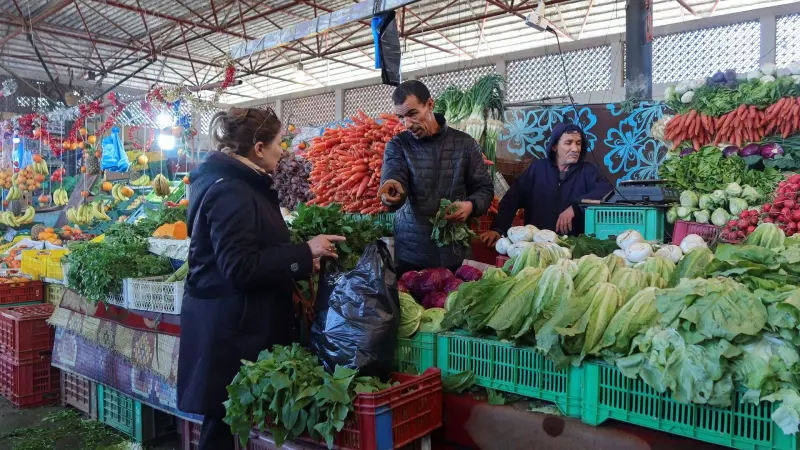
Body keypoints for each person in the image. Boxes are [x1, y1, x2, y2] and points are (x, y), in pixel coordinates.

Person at [177, 107, 345, 450]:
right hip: (230, 330)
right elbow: (239, 267)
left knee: (227, 422)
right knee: (221, 428)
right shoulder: (231, 192)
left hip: (233, 322)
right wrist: (304, 251)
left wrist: (299, 263)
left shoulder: (235, 183)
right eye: (279, 143)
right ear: (258, 148)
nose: (282, 150)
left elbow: (251, 252)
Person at [379, 80, 494, 274]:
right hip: (411, 255)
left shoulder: (465, 144)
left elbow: (484, 188)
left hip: (454, 253)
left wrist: (471, 205)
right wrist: (390, 191)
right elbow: (394, 174)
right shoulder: (398, 145)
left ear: (430, 105)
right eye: (401, 117)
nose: (407, 124)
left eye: (412, 114)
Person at [480, 122, 613, 247]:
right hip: (536, 245)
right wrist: (497, 229)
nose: (575, 149)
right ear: (554, 146)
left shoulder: (589, 171)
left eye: (578, 143)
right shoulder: (537, 169)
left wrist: (576, 207)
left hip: (573, 246)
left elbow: (606, 191)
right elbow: (511, 200)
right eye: (568, 143)